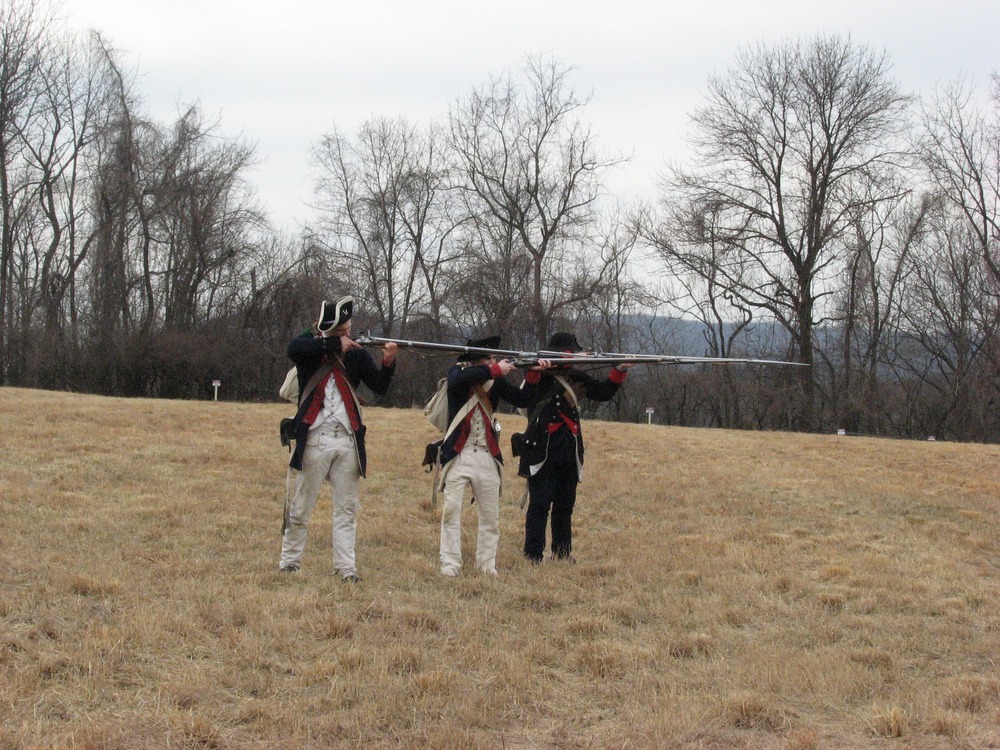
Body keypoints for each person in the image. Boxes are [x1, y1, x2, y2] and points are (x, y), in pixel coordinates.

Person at [279, 296, 398, 581]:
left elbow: (379, 386)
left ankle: (346, 569)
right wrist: (334, 343)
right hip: (315, 439)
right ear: (330, 329)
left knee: (346, 511)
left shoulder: (356, 353)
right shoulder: (311, 349)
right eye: (343, 329)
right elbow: (294, 347)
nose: (349, 333)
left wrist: (388, 361)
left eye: (348, 329)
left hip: (347, 441)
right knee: (300, 507)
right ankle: (289, 563)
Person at [518, 331, 630, 563]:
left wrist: (619, 369)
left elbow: (603, 393)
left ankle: (561, 553)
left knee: (564, 506)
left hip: (568, 450)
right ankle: (533, 554)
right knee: (539, 505)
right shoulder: (537, 374)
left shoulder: (575, 376)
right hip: (542, 449)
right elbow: (524, 397)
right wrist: (535, 371)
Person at [437, 336, 544, 577]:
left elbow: (523, 399)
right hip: (458, 454)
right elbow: (456, 381)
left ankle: (487, 566)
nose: (494, 362)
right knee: (451, 511)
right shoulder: (459, 373)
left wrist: (534, 375)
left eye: (494, 358)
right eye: (488, 358)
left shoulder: (493, 382)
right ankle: (450, 563)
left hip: (487, 454)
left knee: (490, 517)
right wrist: (494, 369)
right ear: (474, 360)